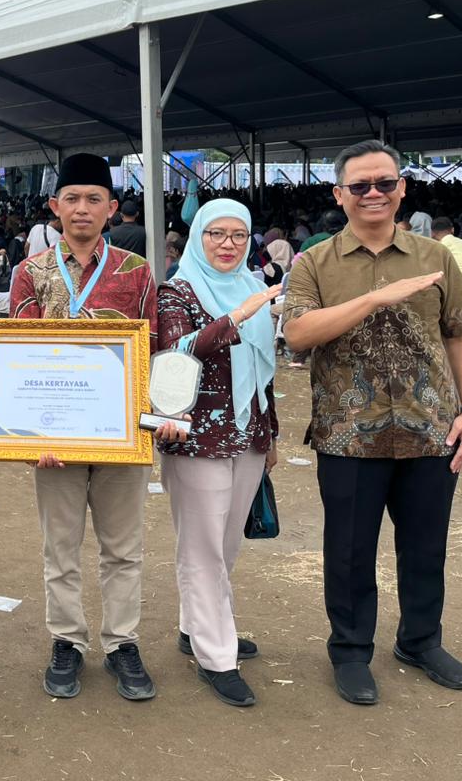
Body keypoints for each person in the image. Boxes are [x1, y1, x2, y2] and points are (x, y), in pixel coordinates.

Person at [283, 139, 462, 707]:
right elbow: (298, 334)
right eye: (360, 185)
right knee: (349, 549)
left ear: (402, 189)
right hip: (348, 432)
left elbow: (460, 333)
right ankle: (350, 650)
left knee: (426, 546)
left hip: (430, 428)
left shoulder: (435, 256)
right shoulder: (313, 261)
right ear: (339, 194)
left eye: (385, 183)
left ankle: (421, 641)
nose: (373, 193)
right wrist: (376, 298)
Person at [9, 153, 188, 702]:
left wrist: (166, 413)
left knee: (123, 548)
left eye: (93, 200)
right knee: (59, 548)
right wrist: (27, 437)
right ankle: (66, 641)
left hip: (121, 434)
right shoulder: (29, 272)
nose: (82, 209)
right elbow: (16, 357)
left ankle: (120, 643)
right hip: (54, 439)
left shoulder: (136, 273)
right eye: (72, 199)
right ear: (54, 207)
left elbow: (156, 349)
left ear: (112, 209)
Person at [156, 200, 283, 707]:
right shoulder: (177, 289)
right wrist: (236, 317)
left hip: (248, 431)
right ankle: (216, 655)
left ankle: (195, 627)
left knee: (227, 542)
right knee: (202, 547)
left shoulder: (254, 286)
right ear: (197, 237)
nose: (228, 244)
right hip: (196, 437)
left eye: (237, 234)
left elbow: (264, 371)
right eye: (216, 234)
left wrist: (269, 434)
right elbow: (174, 352)